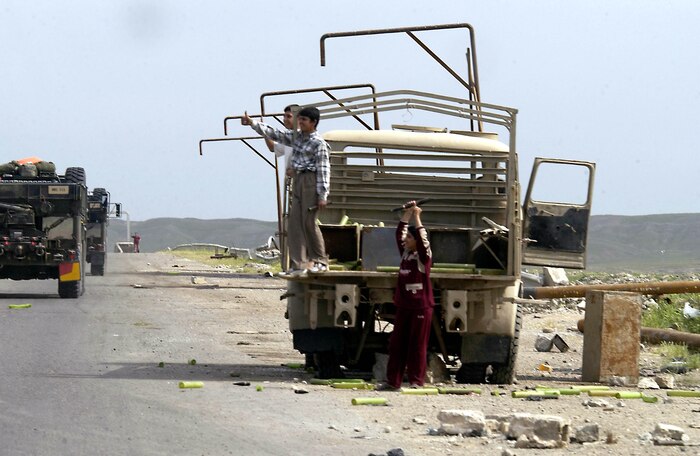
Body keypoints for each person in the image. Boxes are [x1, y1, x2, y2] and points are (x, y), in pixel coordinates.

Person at [241, 106, 329, 274]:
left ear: (313, 122)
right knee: (295, 224)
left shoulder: (319, 143)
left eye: (304, 120)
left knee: (309, 222)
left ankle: (320, 261)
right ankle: (299, 264)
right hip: (298, 180)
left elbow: (324, 170)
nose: (300, 122)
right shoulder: (297, 138)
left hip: (310, 180)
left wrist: (322, 194)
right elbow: (276, 134)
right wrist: (253, 123)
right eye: (300, 119)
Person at [378, 201, 434, 390]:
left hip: (420, 307)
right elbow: (399, 235)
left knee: (417, 346)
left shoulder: (423, 258)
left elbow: (423, 239)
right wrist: (407, 214)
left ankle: (417, 381)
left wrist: (417, 216)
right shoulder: (405, 255)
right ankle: (392, 381)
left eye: (410, 238)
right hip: (404, 306)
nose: (406, 241)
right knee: (396, 345)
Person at [264, 104, 297, 176]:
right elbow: (272, 147)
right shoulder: (288, 138)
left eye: (289, 116)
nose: (285, 119)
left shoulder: (305, 137)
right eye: (284, 116)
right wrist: (264, 131)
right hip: (293, 183)